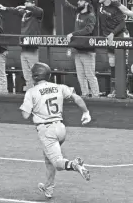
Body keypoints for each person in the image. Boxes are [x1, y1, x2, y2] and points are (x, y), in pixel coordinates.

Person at [19, 62, 91, 199]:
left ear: (34, 76)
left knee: (58, 163)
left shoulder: (32, 92)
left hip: (47, 131)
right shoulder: (59, 87)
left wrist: (29, 105)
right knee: (49, 159)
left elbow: (25, 115)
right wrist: (86, 112)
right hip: (61, 129)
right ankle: (48, 188)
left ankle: (75, 165)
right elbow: (76, 97)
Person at [68, 0, 127, 98]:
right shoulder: (99, 2)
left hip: (120, 35)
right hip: (108, 36)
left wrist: (112, 34)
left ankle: (125, 90)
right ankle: (114, 90)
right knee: (112, 64)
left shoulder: (115, 6)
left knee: (121, 64)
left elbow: (122, 23)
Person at [51, 0, 100, 98]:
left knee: (90, 75)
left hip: (88, 51)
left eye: (81, 0)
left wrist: (73, 34)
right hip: (78, 50)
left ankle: (96, 96)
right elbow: (66, 4)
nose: (78, 2)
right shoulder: (78, 12)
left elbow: (88, 30)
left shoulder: (91, 16)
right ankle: (85, 94)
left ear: (87, 3)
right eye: (79, 0)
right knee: (80, 76)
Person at [0, 0, 43, 90]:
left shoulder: (37, 13)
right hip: (24, 48)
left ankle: (38, 94)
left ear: (33, 3)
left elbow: (39, 10)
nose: (25, 3)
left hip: (32, 49)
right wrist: (5, 8)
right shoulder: (25, 13)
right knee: (27, 75)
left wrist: (24, 7)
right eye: (25, 2)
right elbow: (16, 10)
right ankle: (30, 93)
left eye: (28, 2)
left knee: (35, 75)